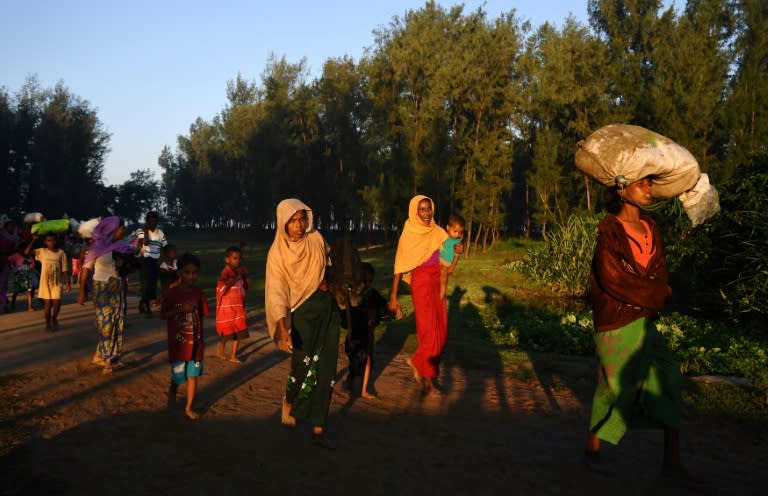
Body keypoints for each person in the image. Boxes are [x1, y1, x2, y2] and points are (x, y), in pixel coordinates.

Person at [583, 176, 686, 477]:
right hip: (616, 318)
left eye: (651, 184)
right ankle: (593, 446)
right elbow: (612, 279)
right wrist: (659, 294)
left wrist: (658, 293)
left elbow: (660, 271)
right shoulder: (610, 231)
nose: (649, 190)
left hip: (644, 318)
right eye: (643, 184)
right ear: (621, 188)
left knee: (670, 377)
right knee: (617, 387)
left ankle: (672, 461)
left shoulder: (651, 228)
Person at [265, 198, 340, 448]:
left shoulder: (316, 239)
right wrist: (283, 330)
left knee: (326, 368)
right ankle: (289, 401)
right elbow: (277, 294)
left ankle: (319, 427)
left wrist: (328, 280)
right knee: (301, 367)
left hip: (327, 308)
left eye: (302, 219)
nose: (299, 225)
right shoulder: (277, 253)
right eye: (293, 221)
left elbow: (330, 265)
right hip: (302, 314)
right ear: (283, 224)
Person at [388, 195, 448, 396]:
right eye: (422, 209)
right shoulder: (409, 234)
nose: (427, 213)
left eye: (429, 208)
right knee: (429, 332)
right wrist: (394, 297)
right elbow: (399, 267)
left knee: (441, 332)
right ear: (415, 211)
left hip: (438, 283)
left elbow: (448, 262)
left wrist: (455, 252)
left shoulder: (439, 232)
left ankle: (417, 361)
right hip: (421, 283)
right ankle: (429, 380)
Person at [77, 216, 133, 374]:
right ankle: (107, 359)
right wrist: (82, 292)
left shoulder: (123, 246)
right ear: (113, 229)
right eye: (122, 227)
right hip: (101, 289)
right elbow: (86, 269)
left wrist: (127, 265)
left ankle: (110, 355)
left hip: (118, 288)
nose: (124, 230)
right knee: (105, 324)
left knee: (117, 321)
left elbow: (128, 268)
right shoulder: (97, 247)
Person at [161, 252, 209, 420]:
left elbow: (202, 316)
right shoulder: (172, 293)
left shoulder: (199, 293)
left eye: (195, 272)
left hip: (195, 344)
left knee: (193, 376)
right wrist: (181, 309)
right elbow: (164, 314)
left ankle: (188, 407)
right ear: (179, 273)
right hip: (179, 345)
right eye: (187, 272)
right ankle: (174, 387)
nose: (191, 276)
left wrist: (200, 340)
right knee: (179, 375)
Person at [343, 262, 394, 399]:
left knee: (366, 360)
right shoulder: (356, 295)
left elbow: (384, 309)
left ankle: (362, 388)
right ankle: (352, 381)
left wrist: (392, 308)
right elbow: (385, 310)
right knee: (357, 360)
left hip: (362, 334)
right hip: (359, 333)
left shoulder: (366, 295)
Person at [25, 233, 70, 330]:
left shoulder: (61, 253)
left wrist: (68, 282)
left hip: (57, 282)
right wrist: (33, 240)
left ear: (56, 240)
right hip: (45, 282)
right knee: (48, 304)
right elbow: (27, 252)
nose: (52, 242)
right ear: (45, 242)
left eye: (53, 240)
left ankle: (54, 318)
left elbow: (64, 269)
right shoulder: (42, 251)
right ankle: (48, 323)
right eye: (49, 241)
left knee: (57, 303)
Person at [215, 246, 249, 364]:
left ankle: (233, 355)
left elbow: (244, 290)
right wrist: (235, 279)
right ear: (227, 259)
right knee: (227, 332)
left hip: (238, 307)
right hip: (227, 308)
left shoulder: (241, 272)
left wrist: (244, 306)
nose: (237, 261)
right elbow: (221, 289)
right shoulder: (225, 273)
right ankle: (221, 346)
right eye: (234, 258)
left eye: (239, 258)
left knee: (240, 332)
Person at [136, 211, 167, 317]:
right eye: (151, 221)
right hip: (144, 260)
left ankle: (143, 302)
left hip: (155, 261)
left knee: (152, 283)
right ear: (147, 221)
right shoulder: (141, 231)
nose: (153, 223)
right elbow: (142, 242)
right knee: (146, 283)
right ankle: (146, 306)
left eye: (155, 221)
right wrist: (145, 232)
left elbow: (165, 246)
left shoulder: (160, 233)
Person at [438, 214, 465, 300]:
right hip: (438, 259)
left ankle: (441, 295)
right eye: (455, 231)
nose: (457, 234)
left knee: (443, 276)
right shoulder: (442, 236)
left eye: (460, 232)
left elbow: (457, 256)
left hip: (446, 263)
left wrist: (452, 267)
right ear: (447, 228)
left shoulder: (457, 242)